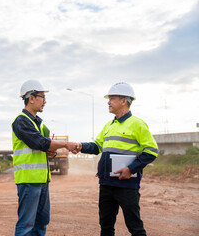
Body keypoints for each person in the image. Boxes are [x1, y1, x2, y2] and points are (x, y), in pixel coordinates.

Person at [79, 82, 158, 236]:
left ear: (124, 101)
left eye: (112, 98)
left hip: (127, 185)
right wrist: (78, 145)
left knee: (135, 227)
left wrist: (131, 169)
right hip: (106, 184)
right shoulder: (109, 125)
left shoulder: (137, 124)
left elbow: (151, 151)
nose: (108, 102)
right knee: (106, 227)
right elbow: (96, 146)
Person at [12, 79, 80, 236]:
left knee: (42, 222)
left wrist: (52, 152)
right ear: (31, 98)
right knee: (26, 224)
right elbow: (40, 142)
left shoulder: (40, 125)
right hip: (28, 181)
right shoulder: (21, 121)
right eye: (42, 97)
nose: (45, 101)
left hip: (42, 180)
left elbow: (46, 148)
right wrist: (65, 144)